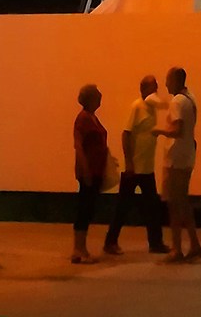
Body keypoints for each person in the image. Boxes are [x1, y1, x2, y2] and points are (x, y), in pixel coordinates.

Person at [104, 72, 166, 257]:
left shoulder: (151, 108)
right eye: (153, 86)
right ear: (144, 88)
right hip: (135, 167)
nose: (156, 89)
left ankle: (155, 242)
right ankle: (110, 242)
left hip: (146, 167)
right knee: (123, 206)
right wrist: (129, 161)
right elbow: (126, 133)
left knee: (152, 206)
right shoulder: (137, 107)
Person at [157, 64, 201, 262]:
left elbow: (178, 130)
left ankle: (177, 247)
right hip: (186, 155)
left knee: (175, 204)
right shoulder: (190, 98)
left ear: (175, 81)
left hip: (176, 158)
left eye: (168, 80)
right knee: (182, 201)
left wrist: (158, 131)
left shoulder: (177, 102)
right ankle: (194, 243)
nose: (166, 84)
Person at [72, 83, 109, 265]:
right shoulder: (83, 119)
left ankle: (81, 247)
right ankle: (78, 248)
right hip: (89, 170)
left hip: (96, 170)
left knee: (88, 208)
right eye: (98, 94)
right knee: (84, 208)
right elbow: (78, 145)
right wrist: (84, 168)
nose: (101, 96)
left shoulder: (92, 117)